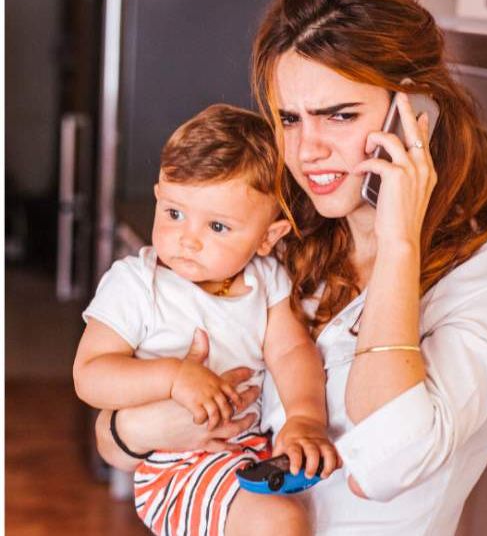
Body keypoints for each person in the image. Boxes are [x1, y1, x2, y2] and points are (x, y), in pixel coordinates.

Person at [92, 0, 487, 535]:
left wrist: (399, 241)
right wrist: (143, 427)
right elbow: (114, 437)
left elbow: (390, 462)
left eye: (340, 115)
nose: (308, 150)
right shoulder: (274, 243)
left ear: (416, 113)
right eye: (289, 118)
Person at [73, 105, 337, 535]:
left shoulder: (267, 279)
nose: (187, 240)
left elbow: (292, 351)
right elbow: (90, 375)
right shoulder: (138, 284)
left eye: (217, 226)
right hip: (175, 463)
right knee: (280, 523)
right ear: (158, 195)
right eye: (174, 213)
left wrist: (305, 417)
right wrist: (174, 377)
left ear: (268, 237)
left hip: (251, 451)